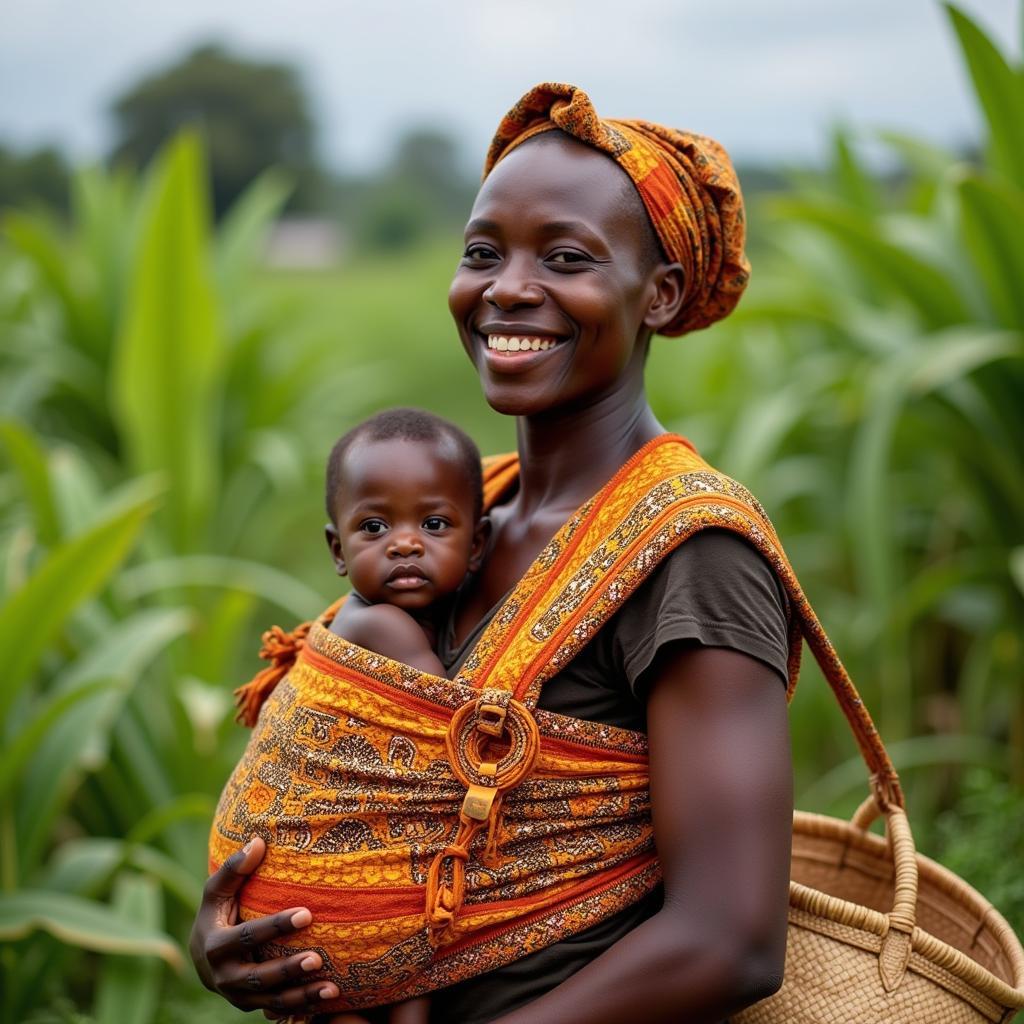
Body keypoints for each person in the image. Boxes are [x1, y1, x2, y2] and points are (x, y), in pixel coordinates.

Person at [190, 83, 794, 1024]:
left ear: (661, 296)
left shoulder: (692, 554)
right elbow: (369, 794)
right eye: (483, 252)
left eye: (565, 257)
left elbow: (730, 940)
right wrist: (249, 931)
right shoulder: (468, 517)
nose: (507, 288)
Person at [322, 407, 488, 675]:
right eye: (374, 527)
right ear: (339, 551)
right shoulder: (379, 624)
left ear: (475, 545)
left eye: (434, 524)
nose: (404, 544)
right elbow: (442, 712)